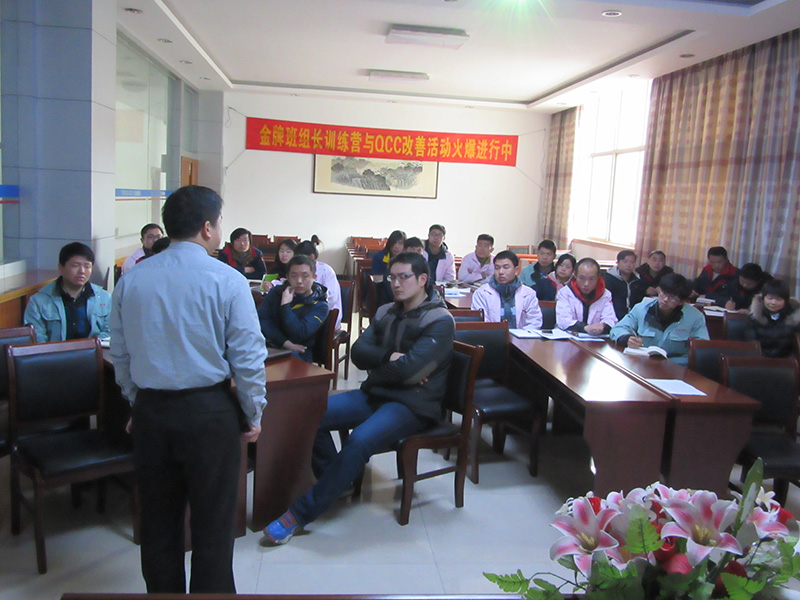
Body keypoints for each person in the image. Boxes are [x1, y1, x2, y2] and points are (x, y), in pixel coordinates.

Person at [110, 185, 266, 594]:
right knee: (214, 524)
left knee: (158, 523)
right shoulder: (228, 281)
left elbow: (120, 354)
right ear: (208, 227)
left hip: (152, 414)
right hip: (209, 413)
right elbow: (249, 358)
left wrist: (137, 402)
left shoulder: (131, 280)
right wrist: (253, 413)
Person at [262, 252, 454, 545]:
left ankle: (299, 514)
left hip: (413, 404)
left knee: (359, 440)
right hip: (377, 393)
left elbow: (411, 370)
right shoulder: (386, 311)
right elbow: (358, 352)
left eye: (403, 277)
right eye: (392, 277)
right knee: (310, 414)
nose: (395, 284)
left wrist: (387, 369)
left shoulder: (440, 320)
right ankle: (336, 478)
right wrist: (390, 358)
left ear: (422, 279)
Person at [610, 273, 709, 363]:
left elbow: (701, 348)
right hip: (644, 362)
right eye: (664, 293)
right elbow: (618, 329)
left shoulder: (695, 317)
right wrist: (626, 338)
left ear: (681, 302)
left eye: (672, 297)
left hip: (676, 366)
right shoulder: (641, 309)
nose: (665, 299)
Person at [24, 242, 111, 343]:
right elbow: (37, 340)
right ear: (61, 268)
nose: (82, 271)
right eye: (75, 265)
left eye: (87, 266)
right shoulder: (38, 301)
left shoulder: (105, 298)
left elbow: (111, 332)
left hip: (94, 351)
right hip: (54, 352)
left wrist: (90, 347)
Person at [258, 255, 330, 362]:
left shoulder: (320, 305)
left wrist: (285, 305)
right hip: (270, 345)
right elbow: (262, 321)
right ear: (287, 277)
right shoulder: (276, 293)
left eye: (305, 276)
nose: (299, 281)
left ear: (314, 277)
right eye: (294, 276)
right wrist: (286, 343)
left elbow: (298, 334)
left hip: (299, 352)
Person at [471, 250, 542, 329]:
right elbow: (482, 324)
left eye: (506, 267)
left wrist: (520, 335)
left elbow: (535, 322)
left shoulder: (528, 293)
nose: (501, 272)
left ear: (516, 270)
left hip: (523, 336)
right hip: (492, 336)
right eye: (497, 268)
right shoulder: (482, 293)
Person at [555, 257, 617, 334]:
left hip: (596, 338)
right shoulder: (565, 293)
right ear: (575, 275)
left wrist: (603, 326)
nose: (586, 284)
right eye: (582, 278)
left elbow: (611, 319)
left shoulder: (605, 294)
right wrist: (585, 327)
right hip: (568, 337)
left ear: (598, 277)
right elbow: (563, 321)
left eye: (591, 279)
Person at [744, 279, 800, 358]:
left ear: (786, 301)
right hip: (759, 360)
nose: (773, 303)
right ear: (763, 298)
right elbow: (751, 343)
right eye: (770, 298)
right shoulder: (754, 317)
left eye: (778, 299)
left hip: (787, 362)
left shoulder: (795, 318)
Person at [295, 237, 342, 329]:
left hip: (327, 315)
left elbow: (331, 298)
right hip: (305, 312)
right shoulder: (298, 270)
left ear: (311, 257)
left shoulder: (326, 271)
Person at [603, 250, 640, 320]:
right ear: (618, 263)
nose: (628, 265)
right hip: (614, 318)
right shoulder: (608, 279)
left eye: (632, 262)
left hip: (633, 318)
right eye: (625, 261)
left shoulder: (637, 280)